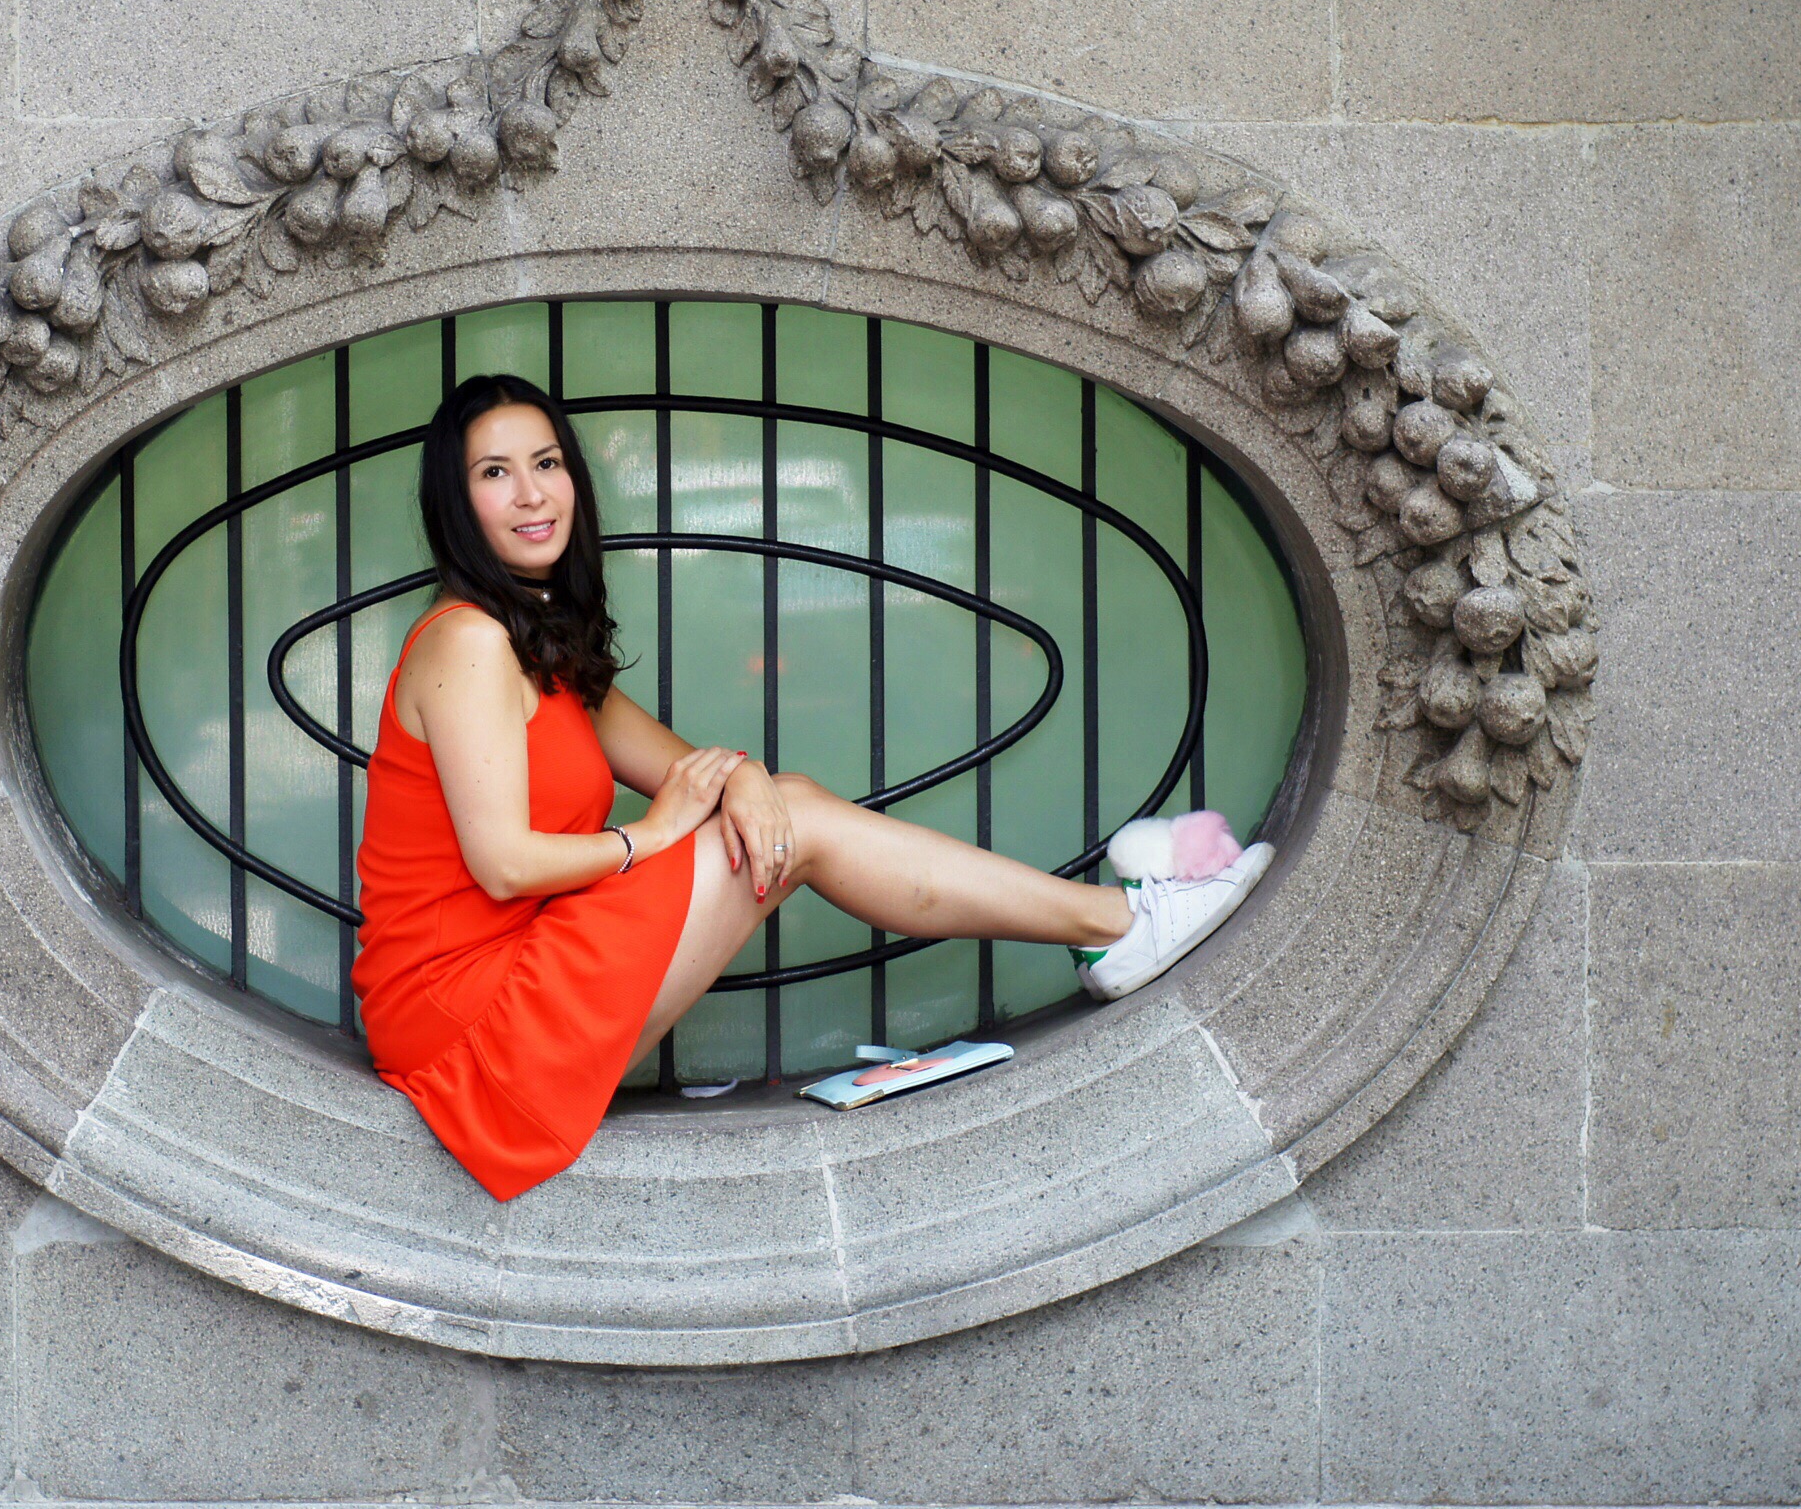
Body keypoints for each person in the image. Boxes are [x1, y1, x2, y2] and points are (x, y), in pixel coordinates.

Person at [351, 373, 1272, 1199]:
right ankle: (1115, 925)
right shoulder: (468, 642)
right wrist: (655, 834)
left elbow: (684, 765)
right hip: (463, 1021)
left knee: (786, 804)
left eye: (546, 463)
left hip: (518, 973)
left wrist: (745, 779)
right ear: (457, 504)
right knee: (798, 822)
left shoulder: (536, 644)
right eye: (495, 473)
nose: (530, 493)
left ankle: (1113, 927)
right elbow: (505, 865)